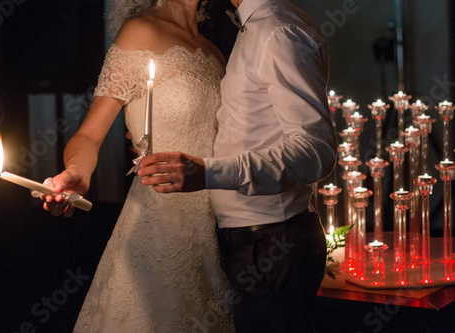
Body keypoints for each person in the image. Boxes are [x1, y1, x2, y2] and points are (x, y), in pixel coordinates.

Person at [138, 0, 337, 331]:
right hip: (257, 244)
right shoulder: (253, 26)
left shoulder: (278, 31)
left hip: (273, 245)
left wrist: (209, 172)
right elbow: (248, 130)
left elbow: (316, 151)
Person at [41, 0, 235, 331]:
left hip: (217, 237)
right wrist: (78, 171)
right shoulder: (140, 31)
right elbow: (89, 135)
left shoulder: (216, 53)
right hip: (156, 235)